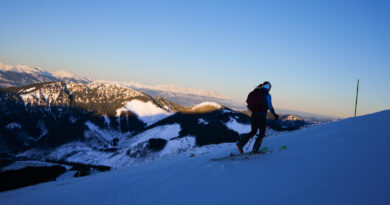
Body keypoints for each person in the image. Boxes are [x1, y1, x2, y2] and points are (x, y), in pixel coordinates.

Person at [236, 81, 279, 153]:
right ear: (268, 87)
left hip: (254, 114)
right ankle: (255, 149)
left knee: (253, 131)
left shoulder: (256, 92)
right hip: (261, 116)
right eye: (270, 88)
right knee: (262, 133)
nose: (270, 89)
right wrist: (274, 115)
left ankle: (241, 143)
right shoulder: (267, 95)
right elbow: (270, 107)